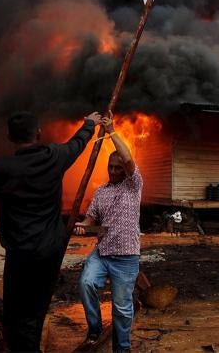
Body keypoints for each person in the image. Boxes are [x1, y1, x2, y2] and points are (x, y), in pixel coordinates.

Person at [0, 110, 101, 351]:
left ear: (10, 137)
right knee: (35, 312)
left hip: (19, 254)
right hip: (49, 253)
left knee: (14, 312)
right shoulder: (55, 156)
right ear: (39, 133)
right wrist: (89, 124)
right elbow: (77, 144)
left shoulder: (4, 168)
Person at [74, 112, 143, 353]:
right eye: (110, 167)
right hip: (102, 254)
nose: (113, 170)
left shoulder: (134, 186)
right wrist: (83, 225)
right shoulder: (101, 192)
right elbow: (91, 217)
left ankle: (122, 349)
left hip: (126, 258)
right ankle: (94, 328)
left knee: (122, 309)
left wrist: (112, 131)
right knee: (86, 283)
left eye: (118, 167)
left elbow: (127, 157)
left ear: (125, 170)